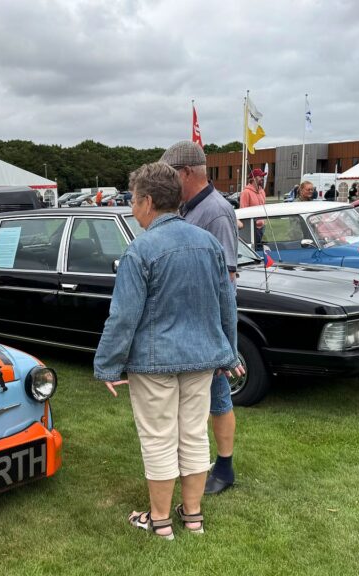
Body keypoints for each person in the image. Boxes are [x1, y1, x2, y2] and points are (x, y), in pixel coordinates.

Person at [94, 162, 240, 539]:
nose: (132, 209)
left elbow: (123, 316)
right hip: (202, 357)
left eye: (133, 201)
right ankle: (193, 517)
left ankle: (160, 522)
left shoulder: (140, 250)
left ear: (147, 201)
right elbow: (227, 302)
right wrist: (229, 352)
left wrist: (107, 365)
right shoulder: (208, 244)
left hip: (154, 361)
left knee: (159, 437)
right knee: (193, 434)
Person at [160, 140, 244, 495]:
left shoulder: (216, 212)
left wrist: (223, 341)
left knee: (219, 397)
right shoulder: (187, 209)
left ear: (185, 173)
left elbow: (227, 281)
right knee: (197, 400)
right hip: (187, 324)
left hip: (205, 328)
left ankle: (224, 469)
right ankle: (195, 464)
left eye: (170, 175)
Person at [240, 169, 267, 245]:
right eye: (260, 176)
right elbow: (243, 211)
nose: (262, 178)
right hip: (252, 228)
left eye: (262, 176)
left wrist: (264, 222)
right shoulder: (246, 192)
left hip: (262, 227)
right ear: (253, 178)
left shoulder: (262, 191)